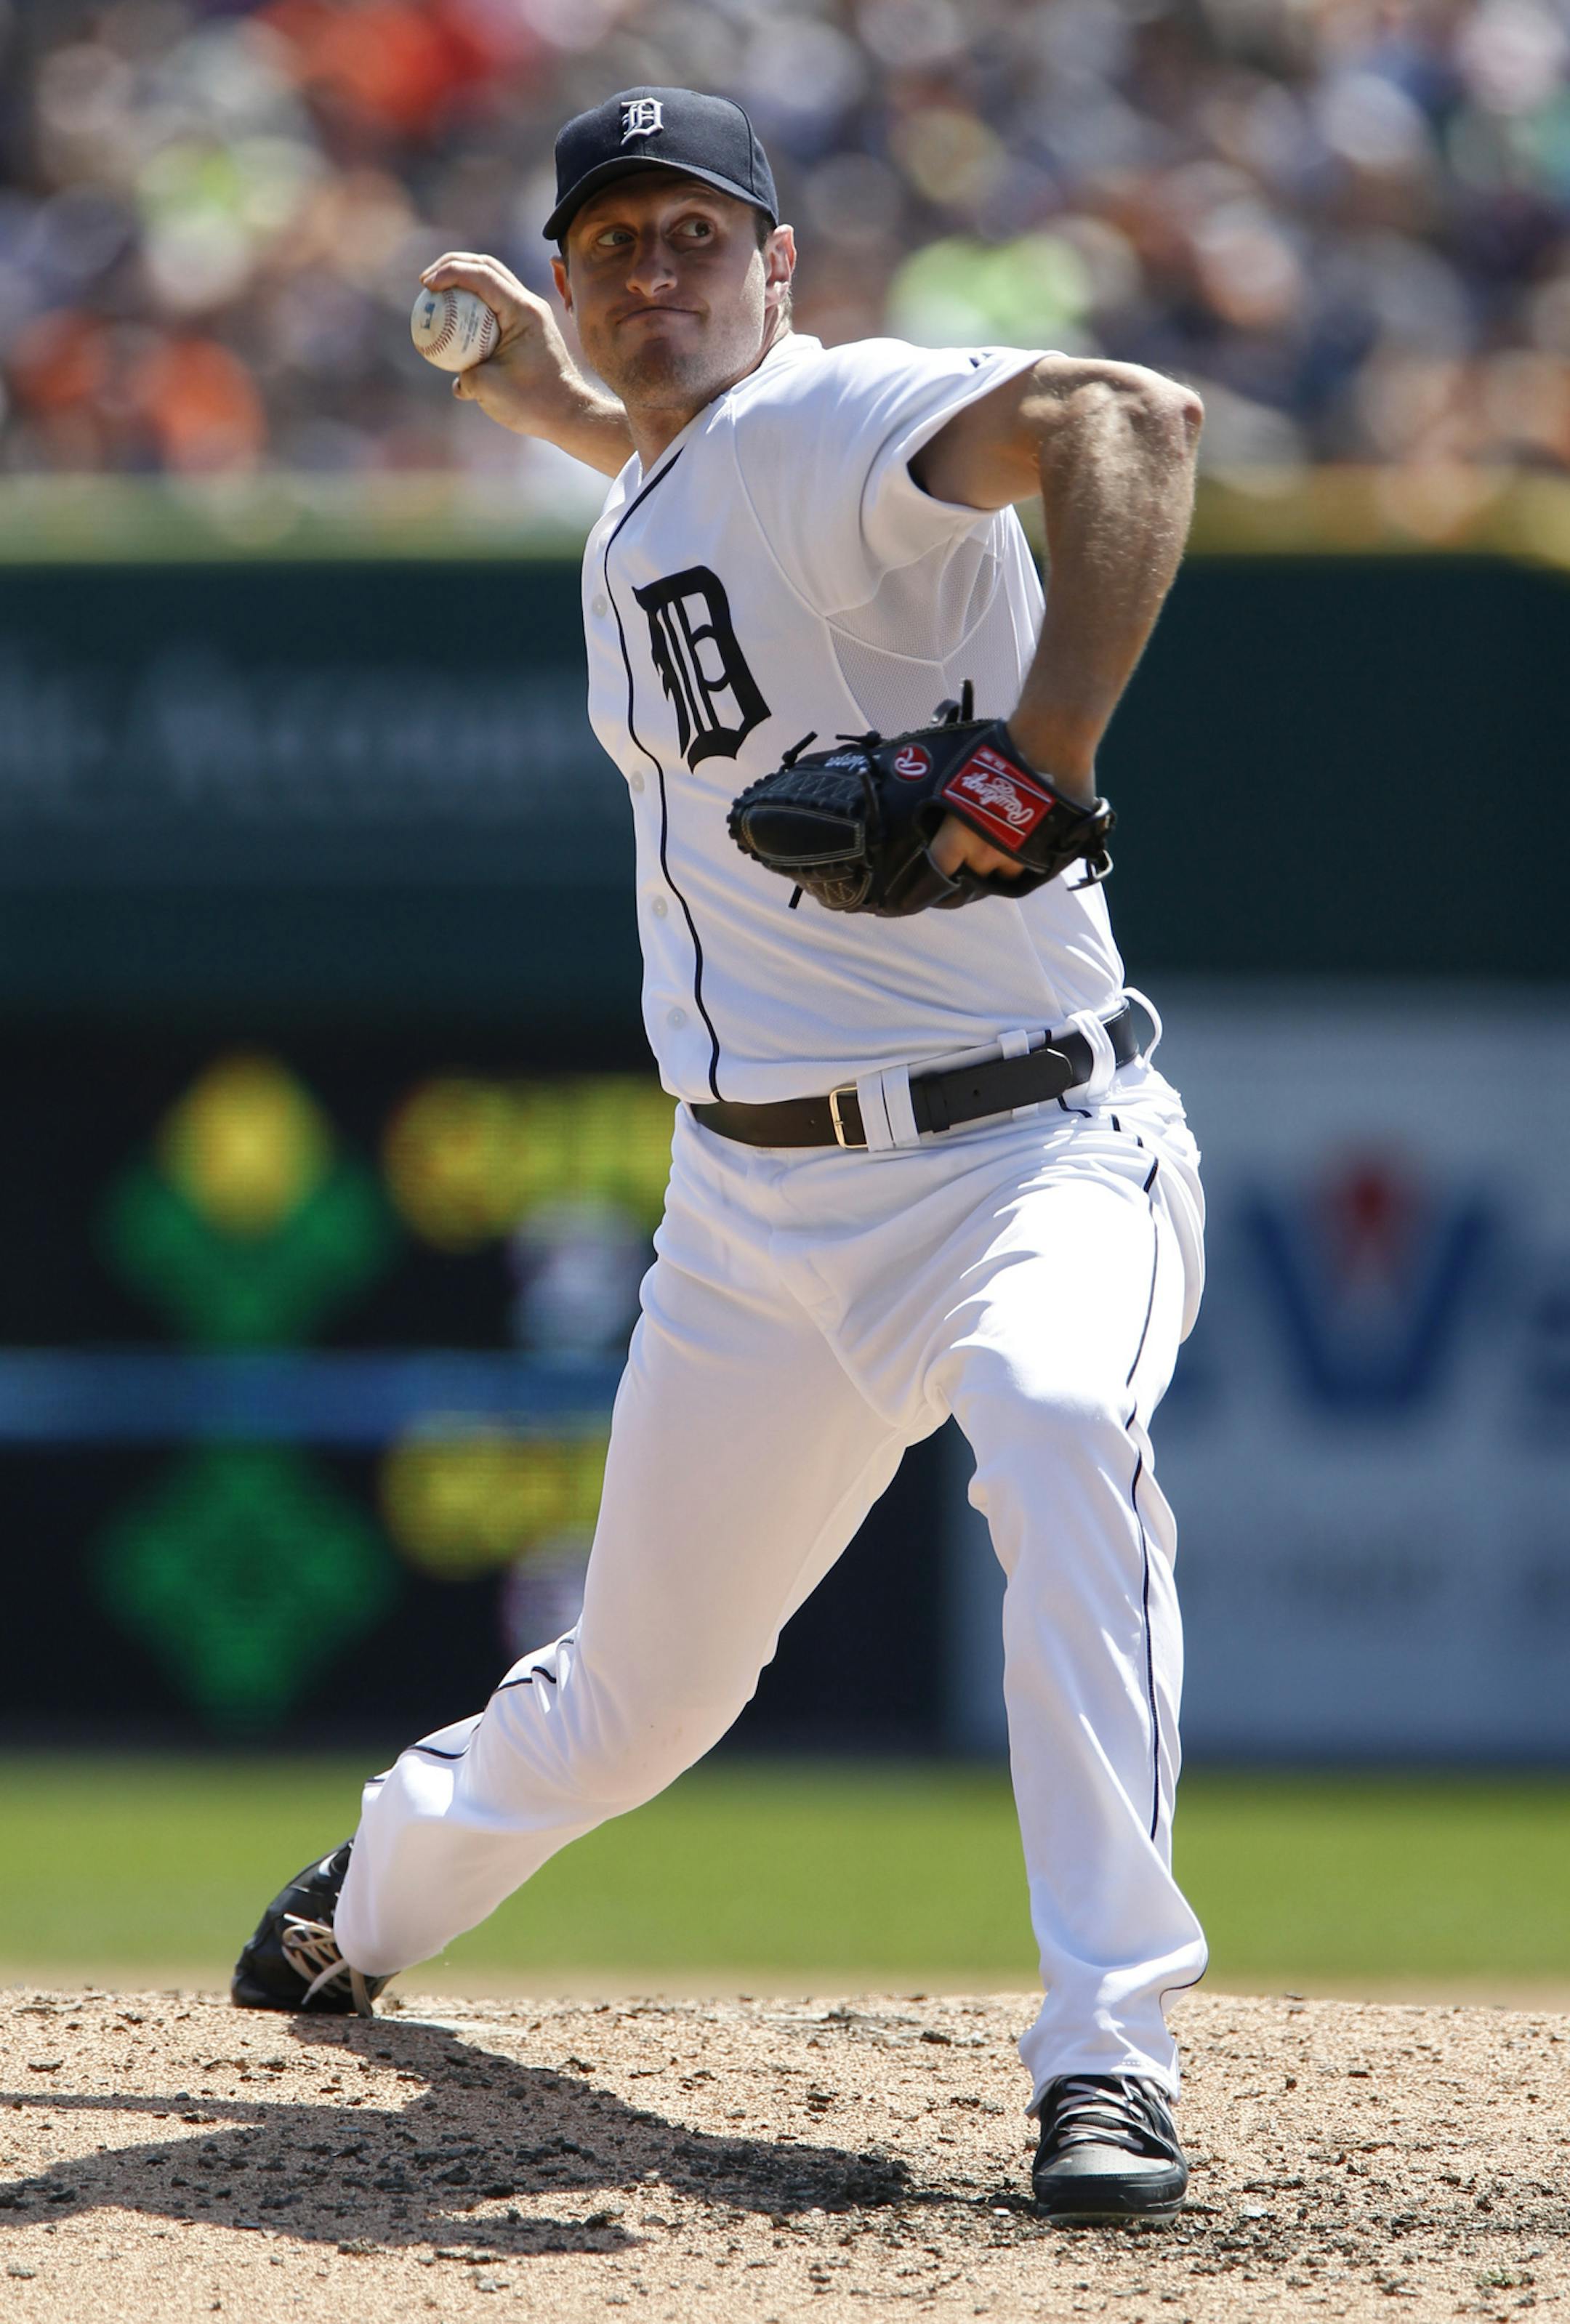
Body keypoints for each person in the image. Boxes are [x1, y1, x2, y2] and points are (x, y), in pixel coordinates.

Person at [232, 85, 1209, 2224]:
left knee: (1054, 1422)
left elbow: (1132, 414)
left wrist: (1040, 768)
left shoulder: (848, 413)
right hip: (752, 1212)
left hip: (1027, 1151)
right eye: (612, 244)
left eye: (697, 238)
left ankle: (1109, 2052)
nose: (651, 273)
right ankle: (371, 1896)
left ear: (786, 273)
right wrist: (545, 393)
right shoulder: (667, 472)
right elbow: (681, 471)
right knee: (635, 1704)